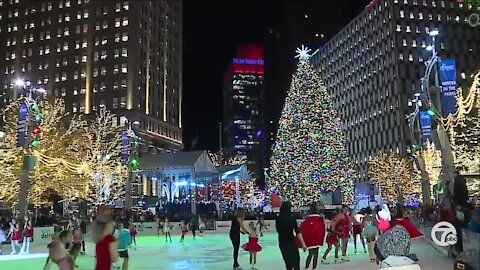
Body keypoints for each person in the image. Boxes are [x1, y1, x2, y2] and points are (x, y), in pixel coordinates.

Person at [276, 201, 307, 270]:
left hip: (282, 242)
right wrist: (303, 244)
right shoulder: (291, 218)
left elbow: (278, 231)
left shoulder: (278, 219)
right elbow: (298, 232)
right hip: (291, 242)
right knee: (296, 262)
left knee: (288, 263)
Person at [296, 202, 325, 270]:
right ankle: (313, 267)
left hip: (310, 239)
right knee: (315, 254)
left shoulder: (308, 219)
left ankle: (307, 266)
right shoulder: (319, 219)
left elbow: (302, 229)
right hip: (317, 239)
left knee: (311, 253)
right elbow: (322, 228)